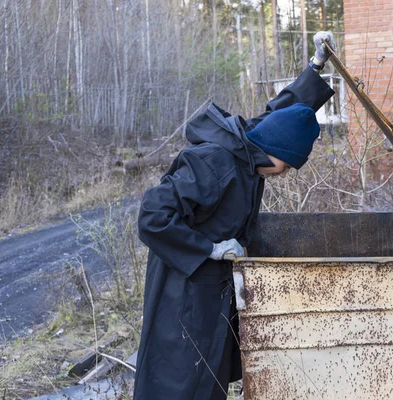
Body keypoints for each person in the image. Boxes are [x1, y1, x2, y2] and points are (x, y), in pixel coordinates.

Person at [133, 32, 337, 399]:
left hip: (211, 291)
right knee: (181, 379)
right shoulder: (215, 161)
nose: (285, 172)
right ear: (274, 150)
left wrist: (316, 65)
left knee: (210, 378)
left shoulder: (253, 145)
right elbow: (152, 215)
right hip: (183, 293)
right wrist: (206, 249)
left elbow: (282, 114)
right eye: (287, 164)